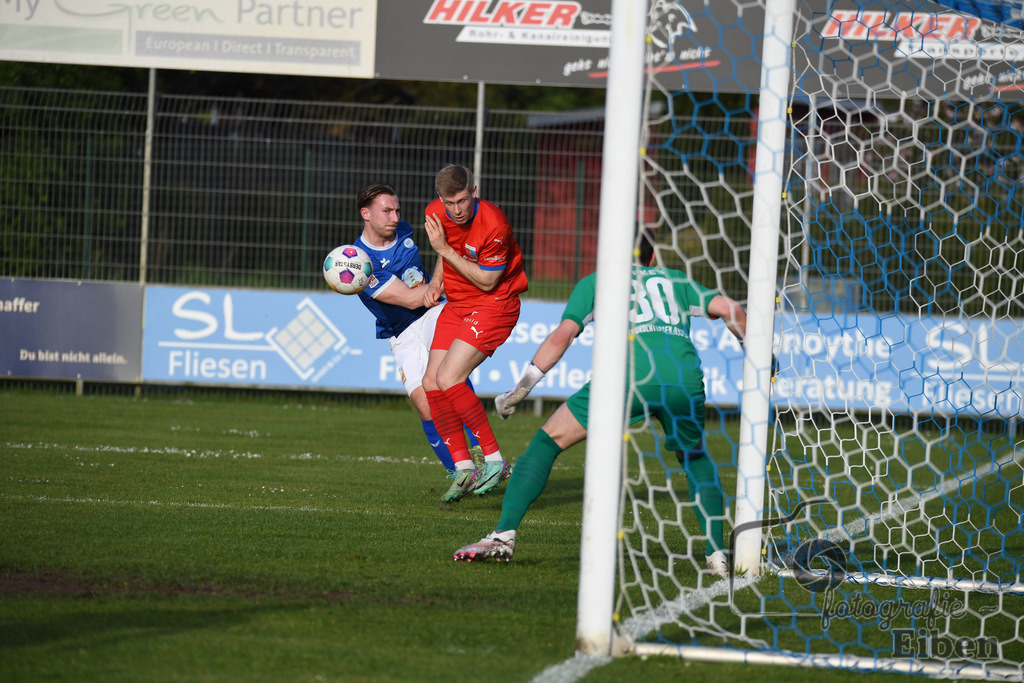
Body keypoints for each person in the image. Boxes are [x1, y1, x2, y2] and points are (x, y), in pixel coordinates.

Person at [453, 229, 747, 577]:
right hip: (683, 378)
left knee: (546, 442)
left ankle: (503, 535)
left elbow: (563, 335)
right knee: (694, 457)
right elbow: (731, 309)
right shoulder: (676, 280)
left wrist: (522, 387)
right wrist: (760, 353)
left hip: (626, 378)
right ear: (653, 256)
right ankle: (717, 554)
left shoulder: (598, 282)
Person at [350, 182, 482, 481]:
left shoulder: (405, 230)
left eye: (397, 210)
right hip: (401, 331)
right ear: (366, 213)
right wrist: (438, 286)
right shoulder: (360, 263)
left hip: (433, 313)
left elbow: (446, 243)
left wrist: (444, 275)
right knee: (425, 405)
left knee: (448, 375)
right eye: (387, 211)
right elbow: (410, 298)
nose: (395, 217)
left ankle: (486, 455)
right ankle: (462, 475)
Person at [422, 164, 529, 502]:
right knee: (431, 383)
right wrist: (436, 282)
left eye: (462, 201)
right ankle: (464, 467)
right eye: (449, 203)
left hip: (495, 304)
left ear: (474, 191)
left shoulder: (495, 224)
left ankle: (495, 460)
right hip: (457, 304)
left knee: (450, 377)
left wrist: (443, 250)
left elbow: (487, 280)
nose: (456, 210)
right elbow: (448, 251)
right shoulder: (435, 212)